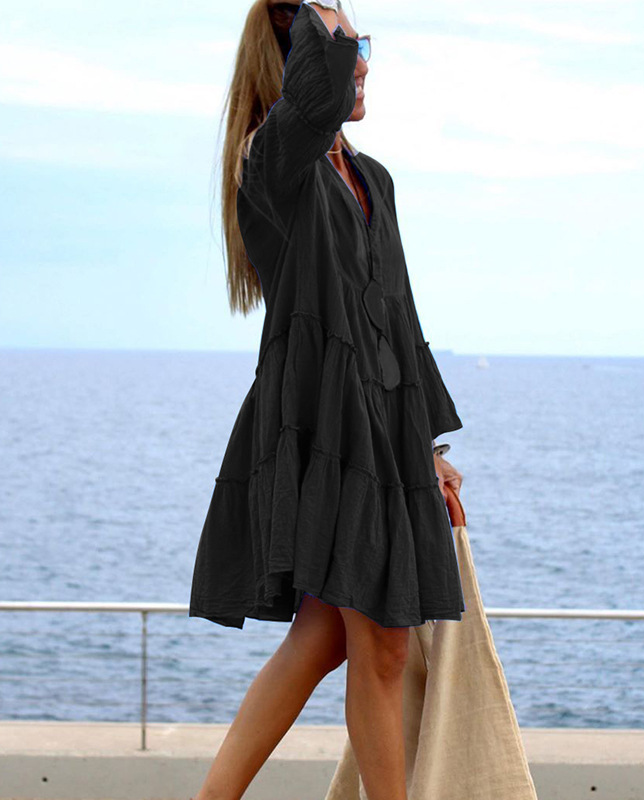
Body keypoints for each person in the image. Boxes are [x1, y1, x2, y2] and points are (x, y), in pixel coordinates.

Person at [188, 2, 465, 798]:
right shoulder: (272, 158)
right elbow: (310, 103)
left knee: (328, 637)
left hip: (381, 426)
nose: (363, 63)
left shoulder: (373, 179)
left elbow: (399, 318)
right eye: (343, 47)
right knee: (380, 643)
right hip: (318, 422)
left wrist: (429, 447)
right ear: (299, 57)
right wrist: (307, 16)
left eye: (363, 43)